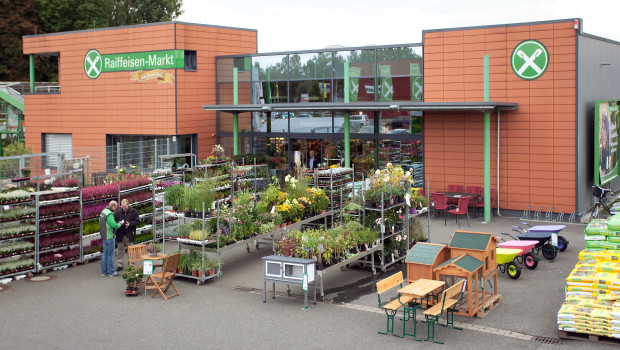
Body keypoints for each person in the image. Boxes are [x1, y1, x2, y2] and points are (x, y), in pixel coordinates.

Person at [114, 198, 140, 271]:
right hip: (120, 234)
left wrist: (130, 224)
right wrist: (118, 222)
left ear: (127, 204)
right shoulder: (118, 212)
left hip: (129, 233)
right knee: (120, 250)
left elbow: (137, 221)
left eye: (124, 206)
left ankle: (131, 263)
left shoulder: (133, 211)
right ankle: (120, 265)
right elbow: (114, 220)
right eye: (122, 206)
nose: (123, 208)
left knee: (130, 249)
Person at [100, 201, 121, 277]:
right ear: (113, 206)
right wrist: (119, 224)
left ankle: (103, 271)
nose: (115, 210)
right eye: (115, 207)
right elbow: (113, 225)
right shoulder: (109, 214)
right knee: (110, 255)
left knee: (105, 254)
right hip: (109, 236)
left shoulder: (103, 212)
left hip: (104, 236)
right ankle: (112, 272)